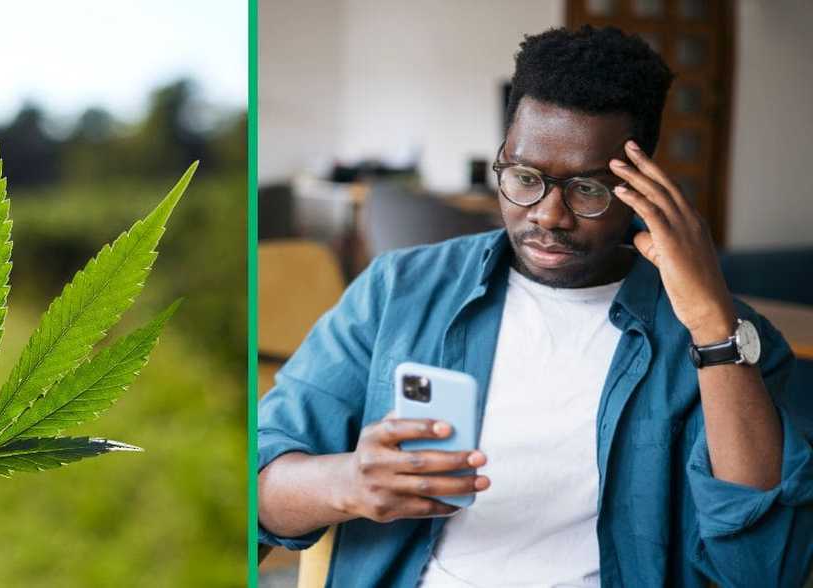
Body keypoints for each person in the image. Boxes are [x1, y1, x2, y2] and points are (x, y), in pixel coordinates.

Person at [257, 26, 813, 587]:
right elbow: (258, 486)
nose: (548, 215)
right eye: (524, 178)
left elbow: (764, 570)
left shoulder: (725, 339)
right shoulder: (399, 290)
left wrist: (713, 327)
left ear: (640, 186)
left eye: (587, 190)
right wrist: (349, 481)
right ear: (501, 158)